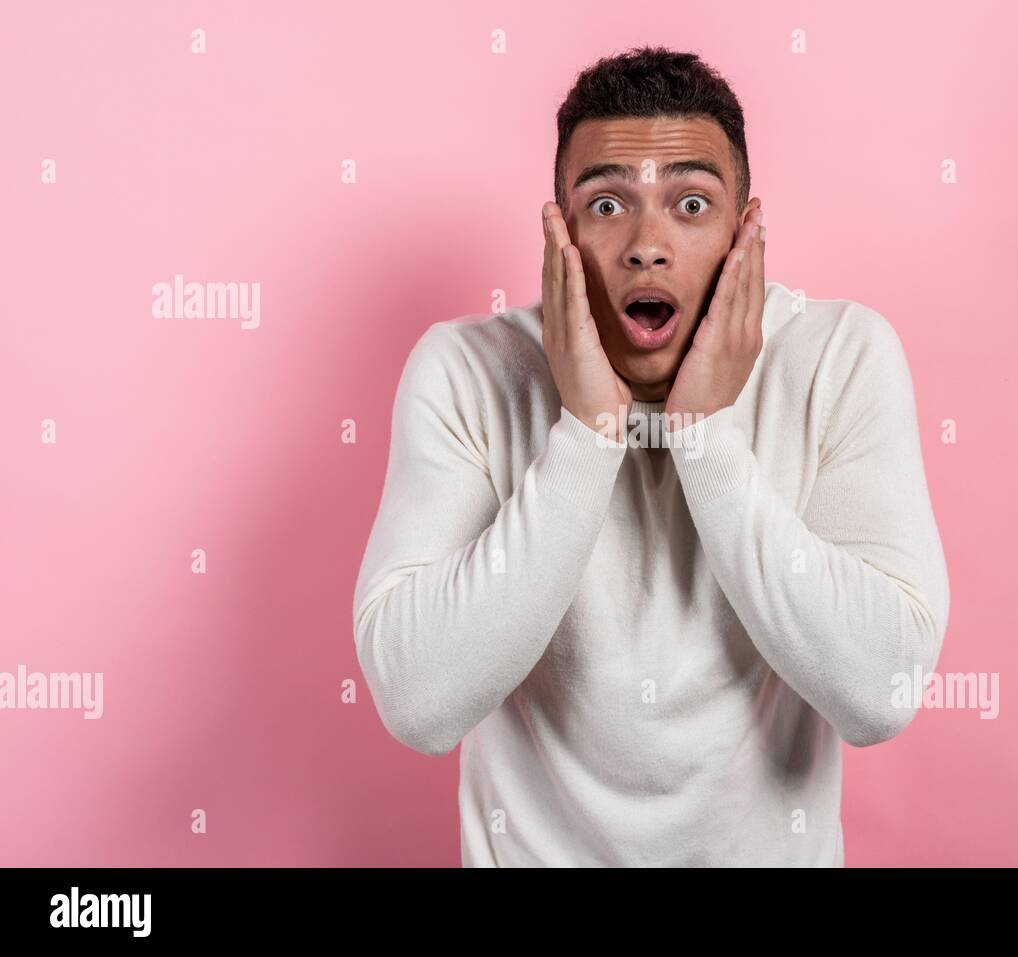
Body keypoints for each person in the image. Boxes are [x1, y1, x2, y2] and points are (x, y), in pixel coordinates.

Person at [352, 45, 950, 866]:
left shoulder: (840, 357)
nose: (646, 245)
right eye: (605, 206)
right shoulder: (468, 370)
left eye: (692, 203)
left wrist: (705, 438)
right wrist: (588, 433)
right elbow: (419, 703)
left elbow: (881, 692)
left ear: (748, 232)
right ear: (557, 231)